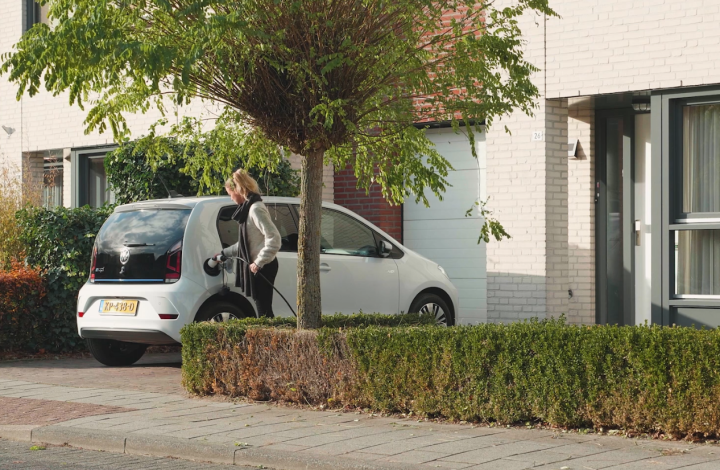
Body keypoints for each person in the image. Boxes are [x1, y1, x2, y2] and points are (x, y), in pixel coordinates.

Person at [220, 170, 281, 318]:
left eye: (230, 194)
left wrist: (259, 262)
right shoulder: (248, 208)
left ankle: (268, 339)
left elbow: (274, 238)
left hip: (264, 267)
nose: (231, 198)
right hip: (259, 267)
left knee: (264, 310)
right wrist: (223, 254)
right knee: (263, 309)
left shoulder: (255, 209)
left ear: (238, 190)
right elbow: (244, 244)